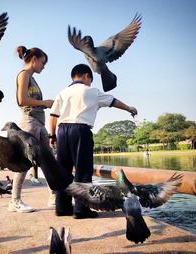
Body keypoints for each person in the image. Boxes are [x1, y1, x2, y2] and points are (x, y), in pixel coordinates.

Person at [49, 64, 137, 219]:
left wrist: (52, 136)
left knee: (63, 171)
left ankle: (62, 208)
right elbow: (113, 101)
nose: (90, 83)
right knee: (83, 171)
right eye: (90, 79)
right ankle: (81, 209)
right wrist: (129, 108)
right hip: (80, 131)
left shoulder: (62, 92)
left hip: (62, 131)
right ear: (86, 76)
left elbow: (53, 115)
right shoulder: (92, 91)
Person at [8, 46, 56, 213]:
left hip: (39, 122)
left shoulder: (33, 78)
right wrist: (45, 103)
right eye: (43, 62)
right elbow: (22, 100)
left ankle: (53, 196)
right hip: (28, 121)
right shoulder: (24, 74)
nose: (44, 66)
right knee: (26, 161)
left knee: (48, 159)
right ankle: (14, 201)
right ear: (34, 59)